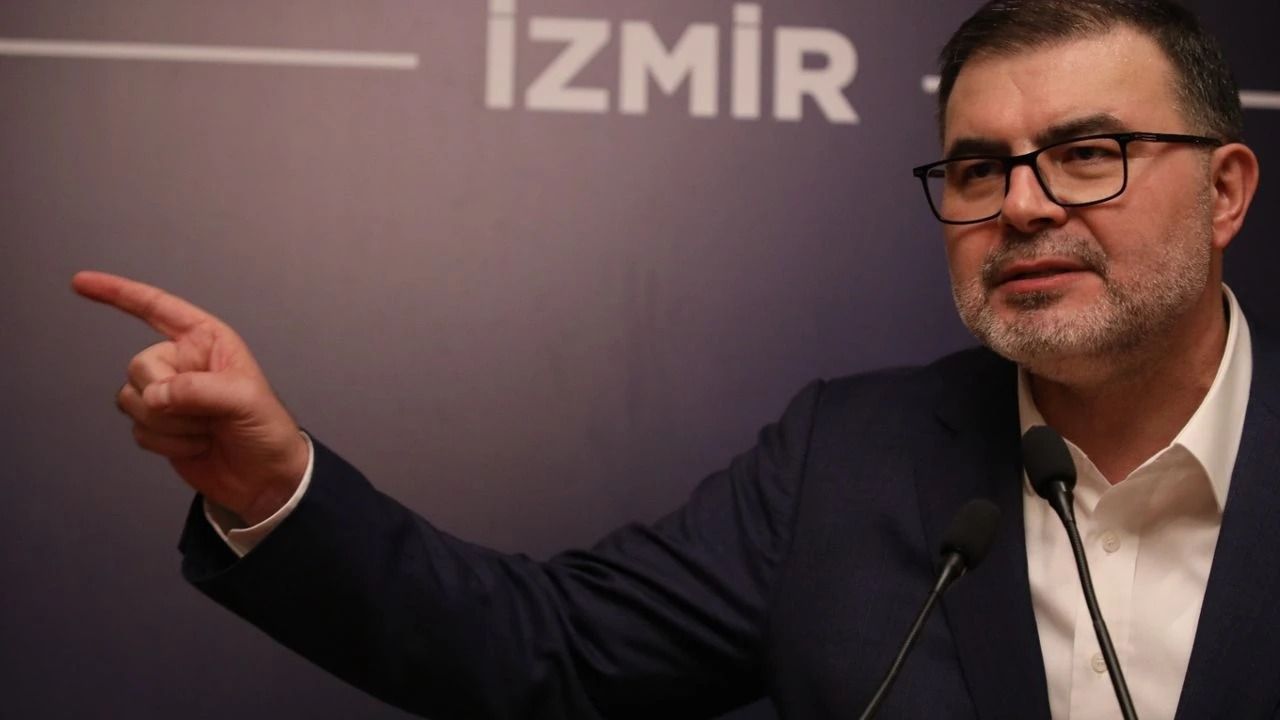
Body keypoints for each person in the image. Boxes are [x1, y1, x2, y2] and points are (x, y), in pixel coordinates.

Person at [73, 0, 1271, 717]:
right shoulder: (845, 459)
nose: (1017, 205)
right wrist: (272, 487)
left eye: (1084, 154)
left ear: (1221, 191)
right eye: (974, 168)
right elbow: (547, 656)